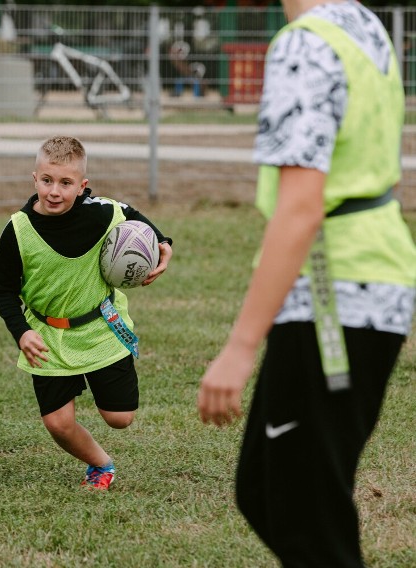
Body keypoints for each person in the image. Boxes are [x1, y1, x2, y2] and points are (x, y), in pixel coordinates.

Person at [197, 1, 415, 566]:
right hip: (366, 282)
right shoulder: (364, 25)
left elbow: (300, 209)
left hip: (336, 290)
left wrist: (239, 349)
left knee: (302, 511)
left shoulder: (305, 43)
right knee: (266, 489)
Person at [0, 136, 173, 489]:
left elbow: (133, 216)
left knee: (120, 418)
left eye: (65, 183)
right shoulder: (18, 229)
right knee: (58, 424)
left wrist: (163, 243)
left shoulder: (101, 213)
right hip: (47, 337)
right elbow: (2, 290)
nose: (54, 191)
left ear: (83, 187)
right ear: (34, 179)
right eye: (47, 181)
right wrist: (21, 332)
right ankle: (100, 465)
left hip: (100, 328)